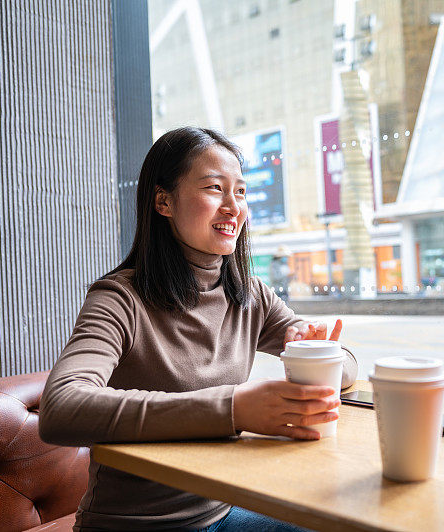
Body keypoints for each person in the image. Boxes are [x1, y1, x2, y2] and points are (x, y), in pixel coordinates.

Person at [39, 127, 358, 531]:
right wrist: (233, 408)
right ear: (163, 202)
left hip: (221, 513)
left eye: (240, 192)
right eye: (214, 188)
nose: (233, 207)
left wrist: (319, 351)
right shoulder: (120, 298)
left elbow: (346, 364)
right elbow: (61, 409)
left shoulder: (249, 294)